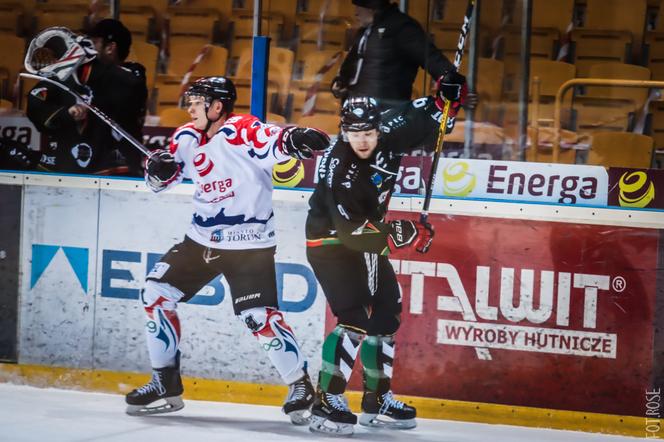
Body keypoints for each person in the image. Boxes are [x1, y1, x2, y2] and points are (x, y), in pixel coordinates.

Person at [124, 77, 330, 425]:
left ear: (217, 106)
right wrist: (157, 170)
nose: (189, 108)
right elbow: (163, 181)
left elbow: (273, 139)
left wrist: (295, 138)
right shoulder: (186, 137)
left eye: (197, 101)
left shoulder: (241, 130)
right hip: (200, 240)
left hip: (248, 242)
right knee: (155, 292)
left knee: (258, 317)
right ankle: (165, 382)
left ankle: (301, 385)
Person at [305, 91, 460, 435]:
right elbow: (350, 232)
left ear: (378, 128)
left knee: (388, 311)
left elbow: (420, 113)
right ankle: (327, 399)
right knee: (355, 317)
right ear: (344, 131)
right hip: (331, 243)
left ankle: (377, 398)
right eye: (354, 133)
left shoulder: (388, 131)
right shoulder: (340, 167)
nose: (362, 140)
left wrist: (445, 99)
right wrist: (401, 232)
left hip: (366, 241)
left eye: (368, 132)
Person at [25, 25, 146, 175]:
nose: (82, 48)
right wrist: (66, 114)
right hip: (64, 165)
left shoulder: (133, 74)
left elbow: (127, 90)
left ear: (110, 48)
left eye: (92, 42)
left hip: (114, 168)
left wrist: (90, 67)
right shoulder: (68, 74)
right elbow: (36, 100)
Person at [332, 0, 469, 112]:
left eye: (359, 6)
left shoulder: (402, 28)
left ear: (372, 7)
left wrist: (455, 85)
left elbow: (433, 59)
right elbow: (350, 66)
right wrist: (340, 82)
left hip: (386, 112)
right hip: (355, 110)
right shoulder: (364, 32)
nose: (355, 13)